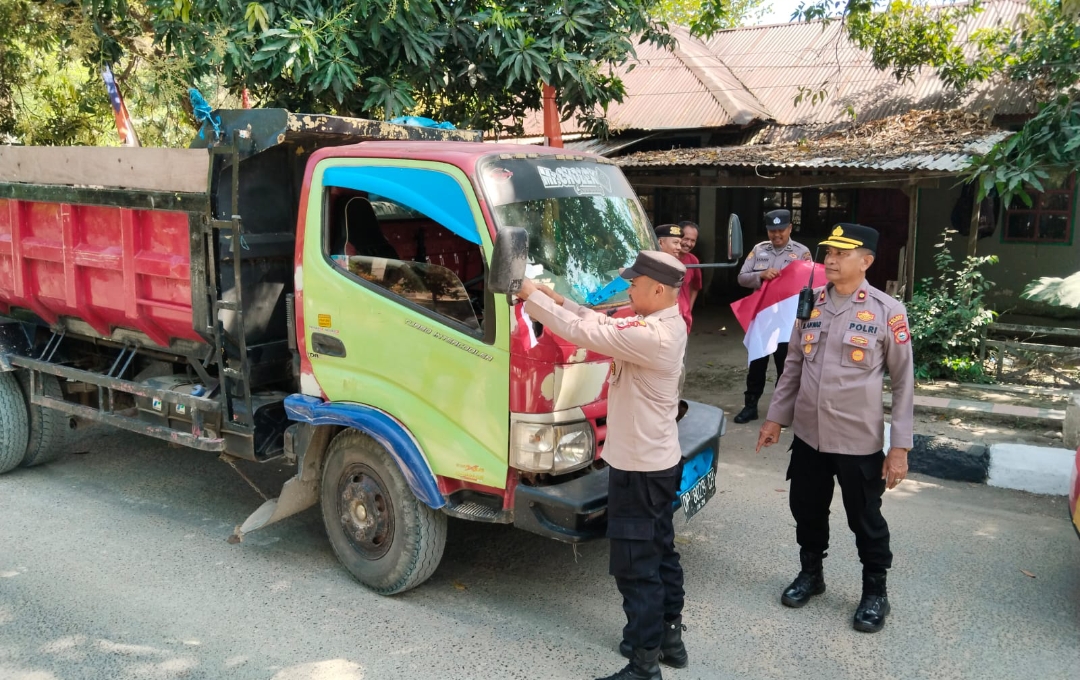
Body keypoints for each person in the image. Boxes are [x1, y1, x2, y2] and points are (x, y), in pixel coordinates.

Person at [517, 251, 688, 680]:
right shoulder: (661, 324)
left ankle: (644, 663)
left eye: (634, 283)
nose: (628, 288)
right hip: (654, 463)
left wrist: (529, 299)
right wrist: (556, 298)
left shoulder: (653, 336)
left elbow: (587, 333)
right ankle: (668, 638)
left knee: (636, 563)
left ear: (658, 289)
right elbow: (601, 322)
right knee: (660, 550)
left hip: (640, 469)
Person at [755, 223, 914, 634]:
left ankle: (875, 592)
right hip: (808, 434)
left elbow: (902, 384)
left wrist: (899, 448)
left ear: (867, 261)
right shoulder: (810, 304)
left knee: (865, 518)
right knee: (806, 509)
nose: (830, 258)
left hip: (857, 440)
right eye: (828, 251)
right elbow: (793, 366)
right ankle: (812, 573)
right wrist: (775, 418)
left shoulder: (887, 311)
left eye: (842, 253)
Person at [733, 209, 811, 424]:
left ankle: (782, 412)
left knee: (785, 365)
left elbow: (809, 285)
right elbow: (742, 277)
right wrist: (760, 275)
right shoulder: (759, 250)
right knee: (757, 362)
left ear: (790, 229)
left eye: (781, 231)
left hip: (787, 321)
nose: (776, 236)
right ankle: (750, 407)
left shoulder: (802, 252)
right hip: (763, 317)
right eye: (772, 231)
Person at [676, 221, 703, 333]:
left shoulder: (693, 261)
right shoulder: (663, 257)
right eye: (686, 239)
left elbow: (695, 287)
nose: (688, 244)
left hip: (683, 320)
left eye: (693, 241)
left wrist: (688, 309)